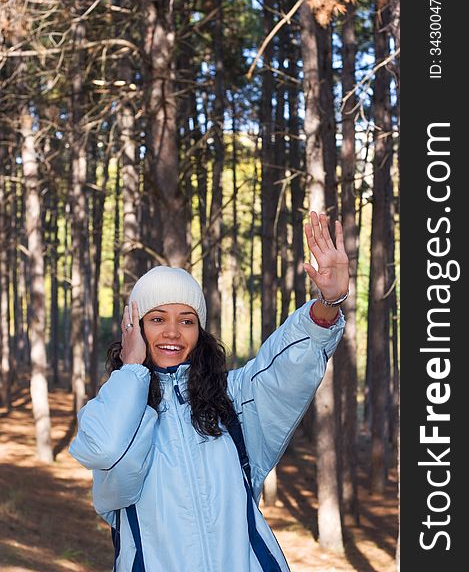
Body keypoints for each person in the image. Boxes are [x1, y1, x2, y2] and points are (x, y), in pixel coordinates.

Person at [69, 210, 349, 572]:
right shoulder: (116, 412)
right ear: (133, 327)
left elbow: (285, 370)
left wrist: (328, 305)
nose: (172, 332)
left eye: (186, 320)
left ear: (199, 331)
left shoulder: (231, 399)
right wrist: (133, 370)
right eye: (157, 319)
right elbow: (104, 448)